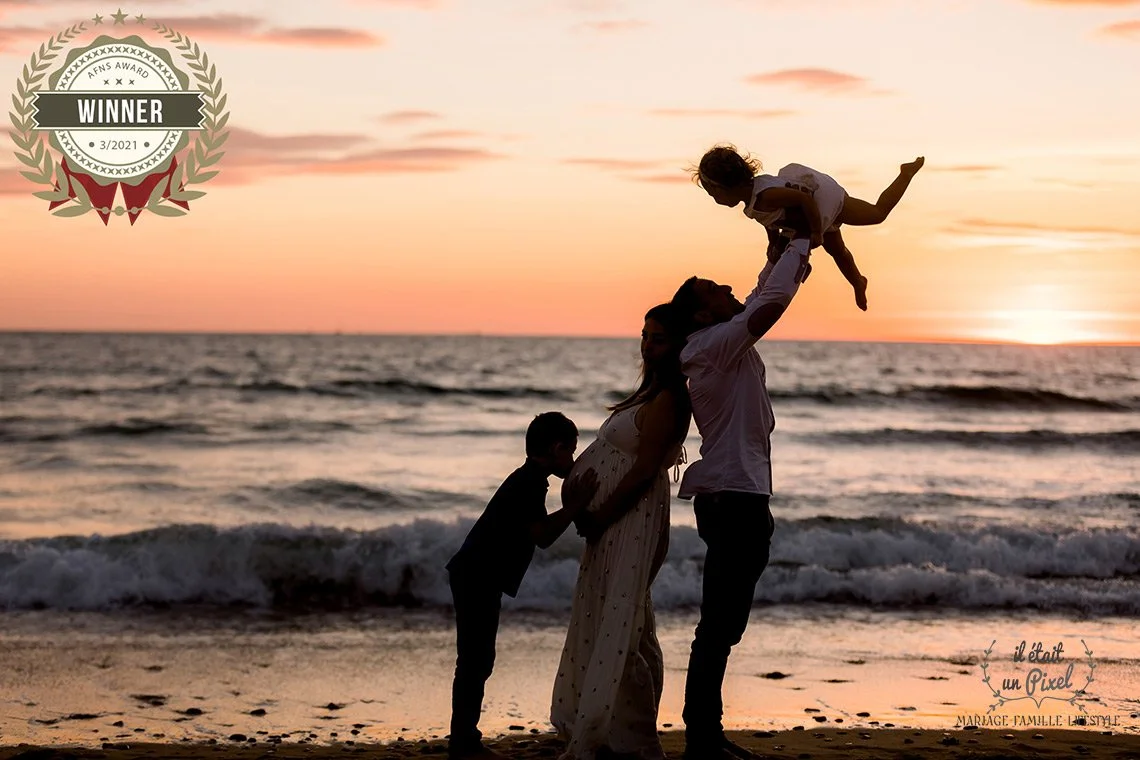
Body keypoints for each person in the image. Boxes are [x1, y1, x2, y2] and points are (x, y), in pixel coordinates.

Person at [668, 231, 811, 760]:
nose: (725, 285)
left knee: (726, 624)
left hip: (744, 496)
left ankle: (706, 734)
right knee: (718, 625)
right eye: (712, 289)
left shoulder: (719, 339)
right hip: (731, 498)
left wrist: (782, 255)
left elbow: (757, 297)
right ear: (702, 317)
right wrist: (798, 249)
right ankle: (703, 738)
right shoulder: (709, 346)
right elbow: (765, 307)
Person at [551, 304, 693, 760]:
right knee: (610, 615)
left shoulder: (670, 397)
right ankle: (612, 727)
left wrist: (600, 515)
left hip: (631, 520)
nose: (648, 346)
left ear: (680, 345)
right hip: (612, 522)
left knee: (623, 620)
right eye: (645, 335)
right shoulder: (647, 391)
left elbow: (644, 472)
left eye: (659, 339)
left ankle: (628, 735)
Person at [446, 412, 600, 760]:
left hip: (477, 574)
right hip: (476, 574)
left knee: (476, 659)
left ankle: (464, 739)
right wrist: (576, 505)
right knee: (475, 660)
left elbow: (539, 529)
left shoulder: (530, 479)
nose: (571, 459)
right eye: (570, 451)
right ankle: (463, 743)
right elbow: (542, 535)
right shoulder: (529, 483)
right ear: (556, 448)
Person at [692, 143, 923, 311]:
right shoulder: (754, 201)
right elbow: (768, 220)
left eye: (714, 194)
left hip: (820, 200)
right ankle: (858, 281)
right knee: (838, 251)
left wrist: (814, 232)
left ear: (726, 187)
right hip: (802, 219)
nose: (715, 200)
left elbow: (805, 200)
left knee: (876, 214)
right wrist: (772, 241)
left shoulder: (766, 195)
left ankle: (905, 174)